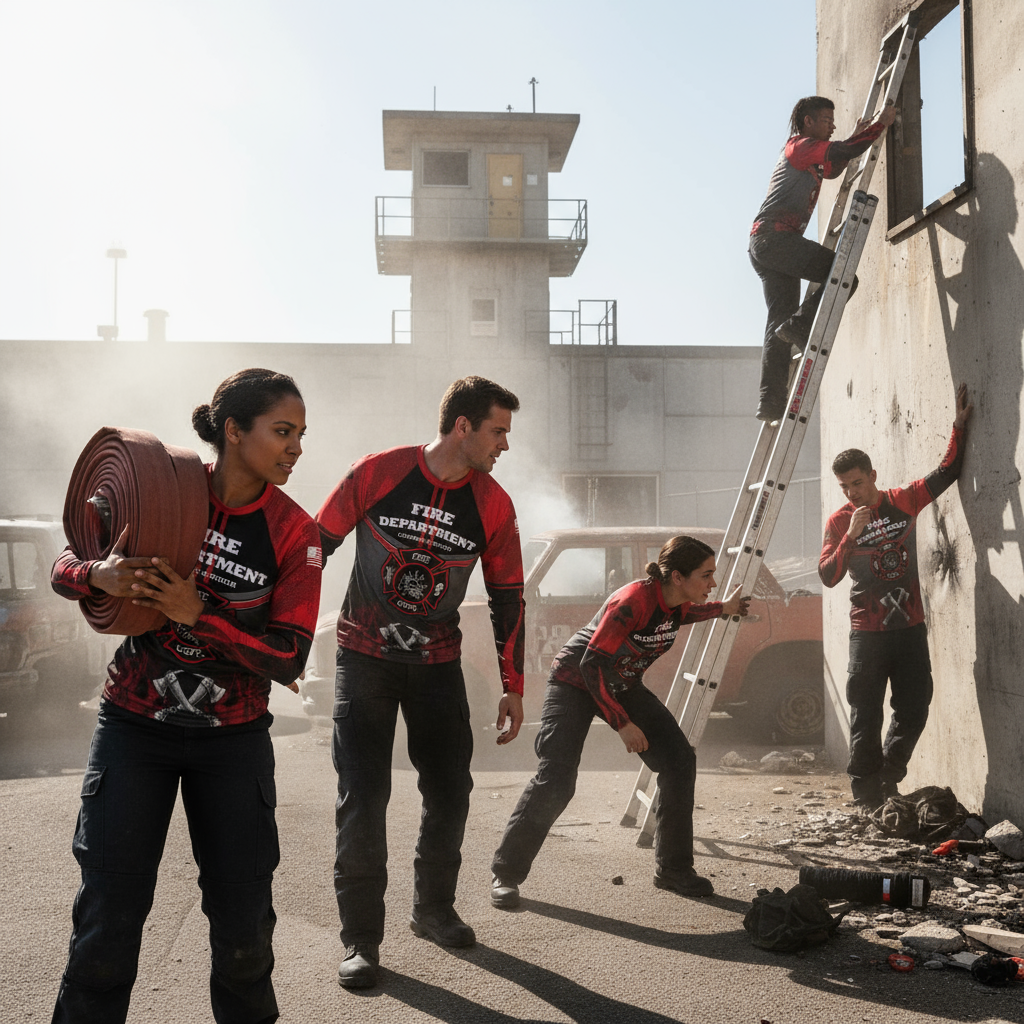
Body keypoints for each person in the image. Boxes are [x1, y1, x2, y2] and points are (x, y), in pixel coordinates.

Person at [50, 368, 322, 1024]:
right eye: (282, 431)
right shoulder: (164, 486)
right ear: (234, 430)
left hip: (233, 742)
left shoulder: (296, 533)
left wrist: (199, 612)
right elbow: (66, 565)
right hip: (133, 729)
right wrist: (100, 573)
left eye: (302, 435)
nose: (296, 448)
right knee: (105, 935)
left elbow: (289, 658)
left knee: (243, 939)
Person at [316, 375, 525, 990]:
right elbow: (311, 548)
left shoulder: (495, 502)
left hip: (438, 668)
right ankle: (361, 940)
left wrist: (512, 683)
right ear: (462, 426)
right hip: (364, 660)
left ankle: (431, 910)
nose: (504, 445)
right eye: (498, 431)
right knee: (364, 797)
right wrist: (286, 635)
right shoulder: (377, 472)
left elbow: (508, 598)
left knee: (451, 790)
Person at [490, 535, 749, 908]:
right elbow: (590, 664)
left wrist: (722, 608)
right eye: (706, 575)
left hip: (621, 682)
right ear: (677, 576)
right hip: (575, 683)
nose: (712, 584)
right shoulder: (632, 601)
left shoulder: (674, 599)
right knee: (557, 779)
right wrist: (622, 723)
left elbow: (682, 614)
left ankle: (673, 870)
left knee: (679, 761)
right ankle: (506, 875)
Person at [819, 383, 972, 810]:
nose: (851, 492)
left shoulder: (903, 501)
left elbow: (946, 473)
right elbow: (828, 576)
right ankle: (865, 794)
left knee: (915, 706)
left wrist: (958, 428)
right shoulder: (839, 522)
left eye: (857, 483)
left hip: (909, 627)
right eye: (844, 487)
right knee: (865, 715)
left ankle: (888, 777)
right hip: (866, 633)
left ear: (872, 475)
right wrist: (849, 536)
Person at [749, 95, 897, 422]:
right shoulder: (799, 146)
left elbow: (832, 168)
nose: (833, 125)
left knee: (778, 322)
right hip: (775, 239)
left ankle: (770, 402)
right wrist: (879, 125)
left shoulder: (808, 156)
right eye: (827, 120)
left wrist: (858, 134)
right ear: (808, 122)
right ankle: (801, 325)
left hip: (764, 244)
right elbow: (842, 151)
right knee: (845, 276)